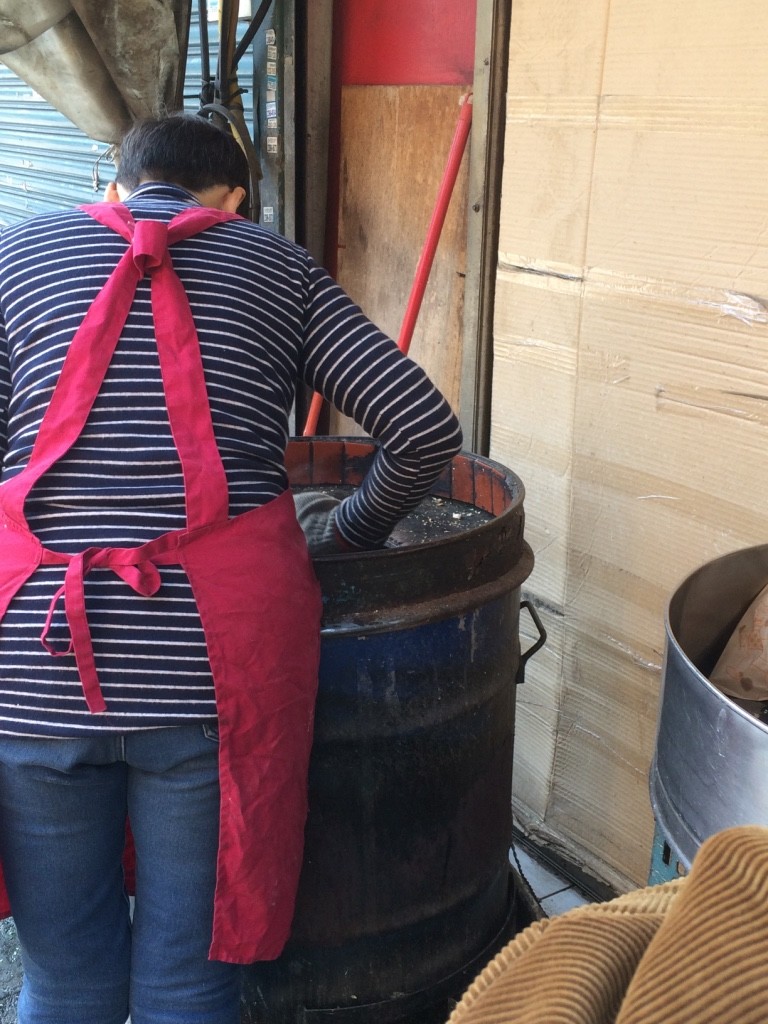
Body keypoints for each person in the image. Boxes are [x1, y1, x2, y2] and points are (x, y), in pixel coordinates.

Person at [0, 114, 463, 1024]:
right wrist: (348, 538)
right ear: (236, 200)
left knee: (62, 976)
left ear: (116, 185)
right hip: (217, 668)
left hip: (34, 663)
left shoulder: (18, 256)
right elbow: (423, 433)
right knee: (189, 979)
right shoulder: (278, 266)